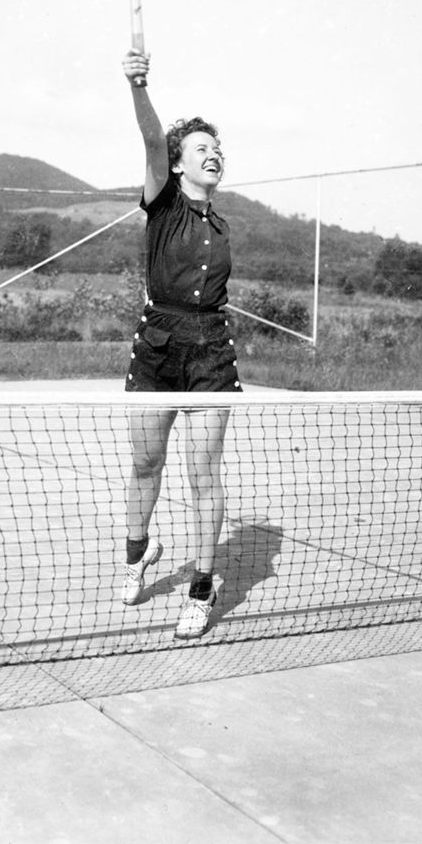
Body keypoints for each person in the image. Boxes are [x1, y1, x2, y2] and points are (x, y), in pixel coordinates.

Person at [120, 47, 241, 640]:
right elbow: (149, 141)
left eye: (217, 150)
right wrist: (140, 87)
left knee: (203, 473)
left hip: (211, 350)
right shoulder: (163, 202)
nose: (213, 154)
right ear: (177, 164)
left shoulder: (220, 225)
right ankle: (138, 551)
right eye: (200, 148)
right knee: (146, 462)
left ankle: (200, 588)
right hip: (158, 347)